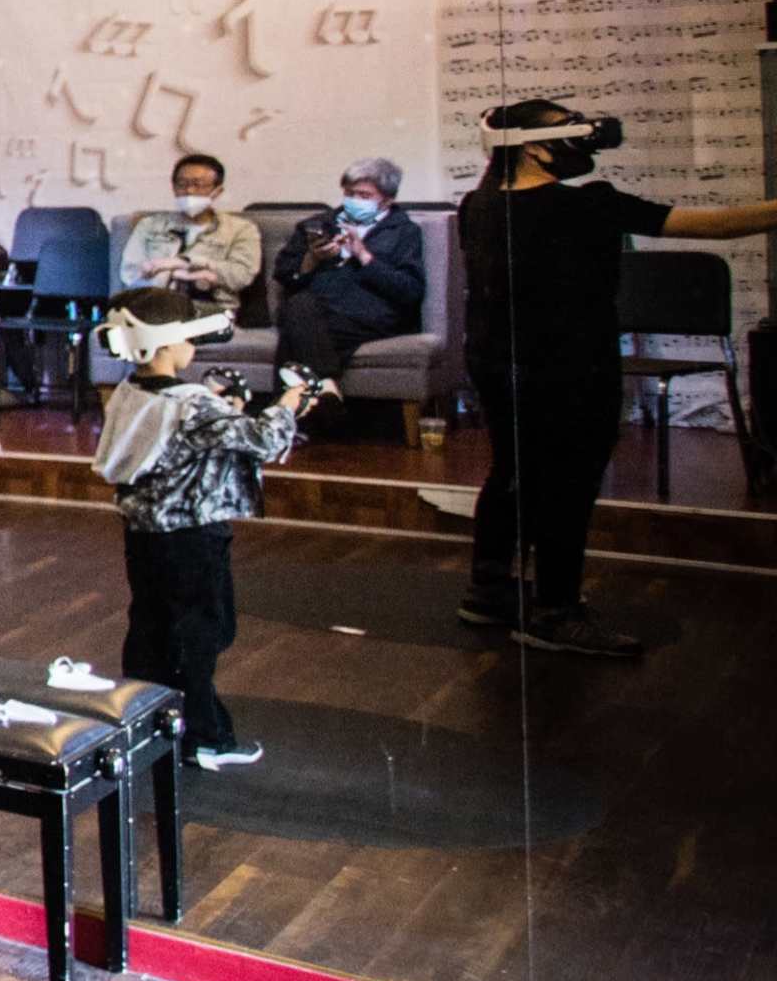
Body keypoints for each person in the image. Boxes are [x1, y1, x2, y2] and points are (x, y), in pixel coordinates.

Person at [459, 99, 777, 658]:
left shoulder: (476, 206)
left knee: (512, 471)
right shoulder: (588, 207)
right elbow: (717, 225)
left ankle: (488, 592)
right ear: (532, 146)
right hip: (573, 367)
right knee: (568, 489)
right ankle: (556, 612)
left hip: (495, 363)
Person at [92, 288, 316, 771]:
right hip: (194, 537)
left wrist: (219, 406)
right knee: (203, 633)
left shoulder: (130, 393)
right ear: (170, 344)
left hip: (145, 533)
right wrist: (291, 402)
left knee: (151, 629)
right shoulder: (193, 403)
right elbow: (262, 438)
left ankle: (146, 724)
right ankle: (203, 737)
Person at [271, 157, 425, 385]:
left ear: (387, 200)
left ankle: (306, 401)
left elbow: (410, 291)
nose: (354, 201)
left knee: (295, 328)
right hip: (317, 309)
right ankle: (327, 394)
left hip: (371, 316)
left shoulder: (404, 232)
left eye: (364, 196)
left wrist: (364, 256)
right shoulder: (317, 225)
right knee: (300, 308)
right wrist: (312, 259)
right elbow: (284, 275)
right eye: (350, 193)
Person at [119, 153, 259, 314]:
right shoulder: (150, 225)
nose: (189, 191)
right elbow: (129, 274)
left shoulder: (240, 229)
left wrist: (186, 262)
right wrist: (179, 276)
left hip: (211, 309)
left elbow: (241, 276)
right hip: (155, 305)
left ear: (217, 191)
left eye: (198, 185)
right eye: (182, 184)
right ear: (173, 187)